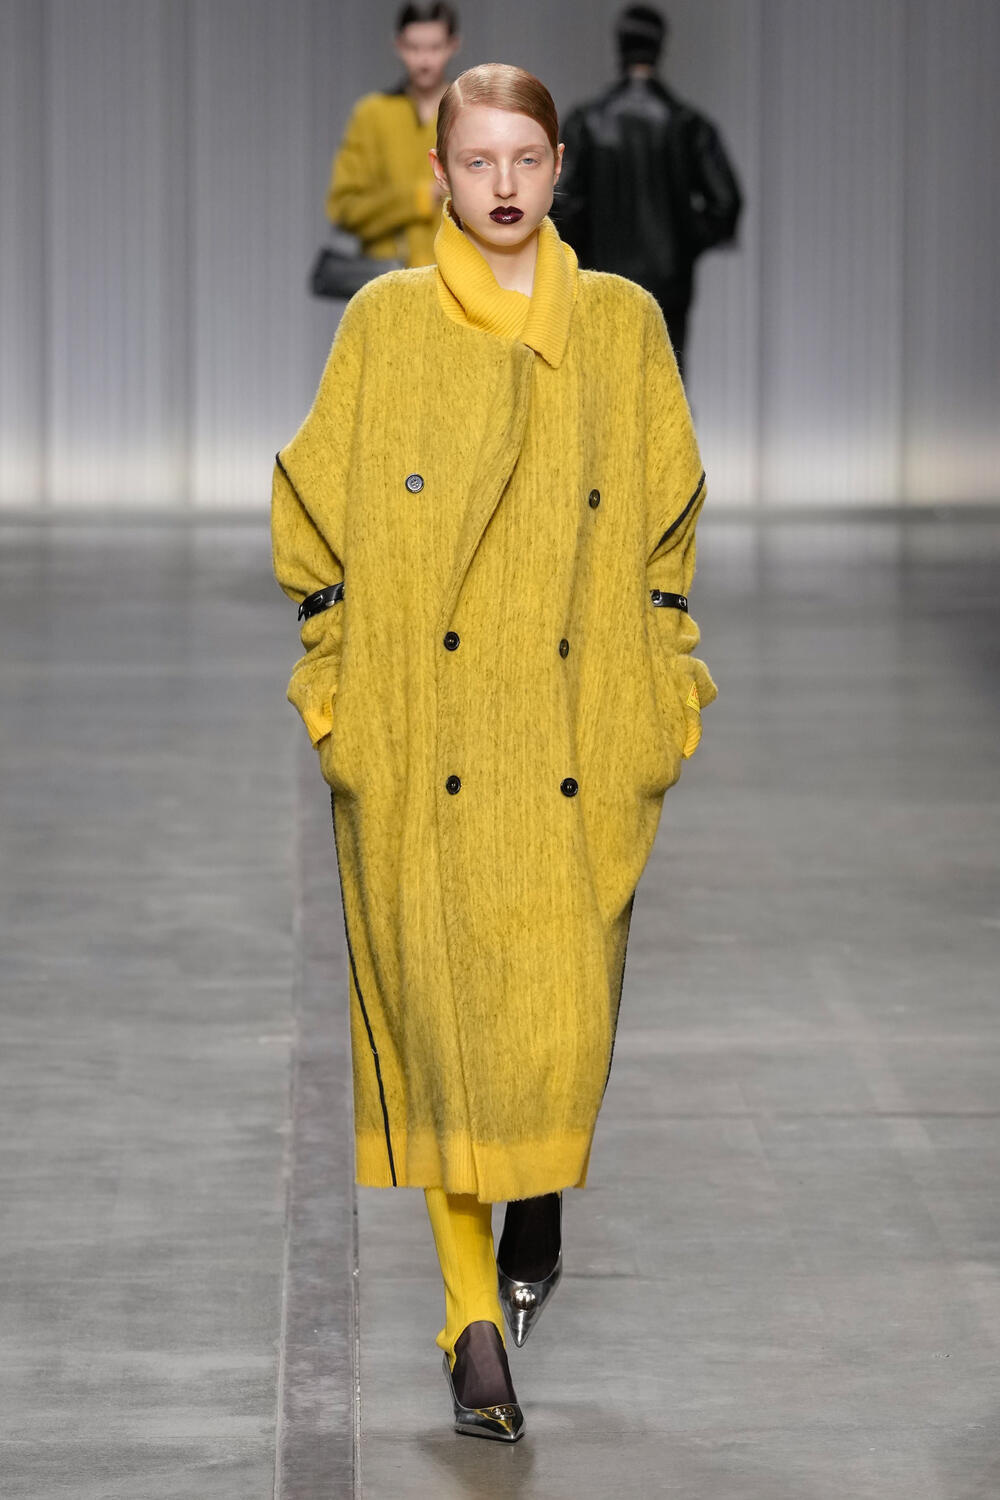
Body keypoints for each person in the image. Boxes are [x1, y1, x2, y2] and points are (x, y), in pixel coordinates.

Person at [272, 62, 716, 1443]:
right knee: (446, 1031)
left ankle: (538, 1199)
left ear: (559, 167)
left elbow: (666, 524)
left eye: (526, 158)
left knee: (556, 1023)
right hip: (424, 731)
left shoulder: (621, 326)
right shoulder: (389, 323)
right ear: (441, 177)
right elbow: (312, 511)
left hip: (575, 733)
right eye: (479, 161)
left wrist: (669, 690)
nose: (505, 184)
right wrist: (338, 689)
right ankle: (472, 1325)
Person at [556, 4, 742, 378]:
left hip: (601, 278)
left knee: (606, 381)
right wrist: (685, 239)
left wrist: (584, 244)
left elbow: (560, 202)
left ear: (619, 47)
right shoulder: (686, 124)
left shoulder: (587, 123)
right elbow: (726, 203)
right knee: (665, 381)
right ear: (660, 48)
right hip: (669, 282)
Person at [326, 3, 461, 269]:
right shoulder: (372, 114)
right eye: (414, 48)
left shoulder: (469, 114)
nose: (424, 61)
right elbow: (343, 208)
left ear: (453, 46)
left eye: (434, 48)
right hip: (387, 278)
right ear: (398, 46)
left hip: (456, 277)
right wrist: (418, 198)